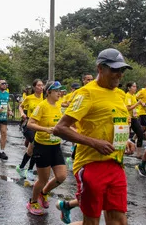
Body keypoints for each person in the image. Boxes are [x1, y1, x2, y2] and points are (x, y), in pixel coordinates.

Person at [53, 48, 135, 225]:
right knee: (91, 221)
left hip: (116, 163)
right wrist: (94, 143)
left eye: (121, 70)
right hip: (91, 165)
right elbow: (60, 128)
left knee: (119, 221)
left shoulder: (119, 94)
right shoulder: (86, 93)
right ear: (100, 68)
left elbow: (112, 123)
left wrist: (125, 140)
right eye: (114, 70)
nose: (119, 75)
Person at [26, 80, 67, 215]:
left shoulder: (59, 105)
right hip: (42, 146)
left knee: (61, 176)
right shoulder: (42, 106)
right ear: (48, 92)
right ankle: (32, 202)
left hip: (55, 146)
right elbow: (30, 124)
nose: (59, 94)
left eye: (60, 91)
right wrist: (45, 129)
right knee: (43, 179)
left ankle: (43, 193)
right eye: (56, 91)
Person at [16, 79, 44, 181]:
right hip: (29, 126)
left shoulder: (44, 98)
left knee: (30, 150)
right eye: (39, 85)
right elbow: (20, 106)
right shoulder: (29, 98)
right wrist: (22, 114)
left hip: (40, 127)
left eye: (42, 85)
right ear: (34, 87)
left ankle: (22, 167)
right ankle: (30, 170)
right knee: (36, 146)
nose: (41, 87)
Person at [124, 82, 144, 158]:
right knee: (126, 136)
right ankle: (126, 150)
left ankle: (139, 153)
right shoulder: (127, 96)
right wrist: (137, 103)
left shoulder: (133, 96)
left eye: (135, 86)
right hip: (128, 118)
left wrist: (141, 104)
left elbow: (135, 106)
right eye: (133, 86)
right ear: (129, 88)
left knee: (140, 134)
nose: (135, 88)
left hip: (134, 118)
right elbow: (128, 108)